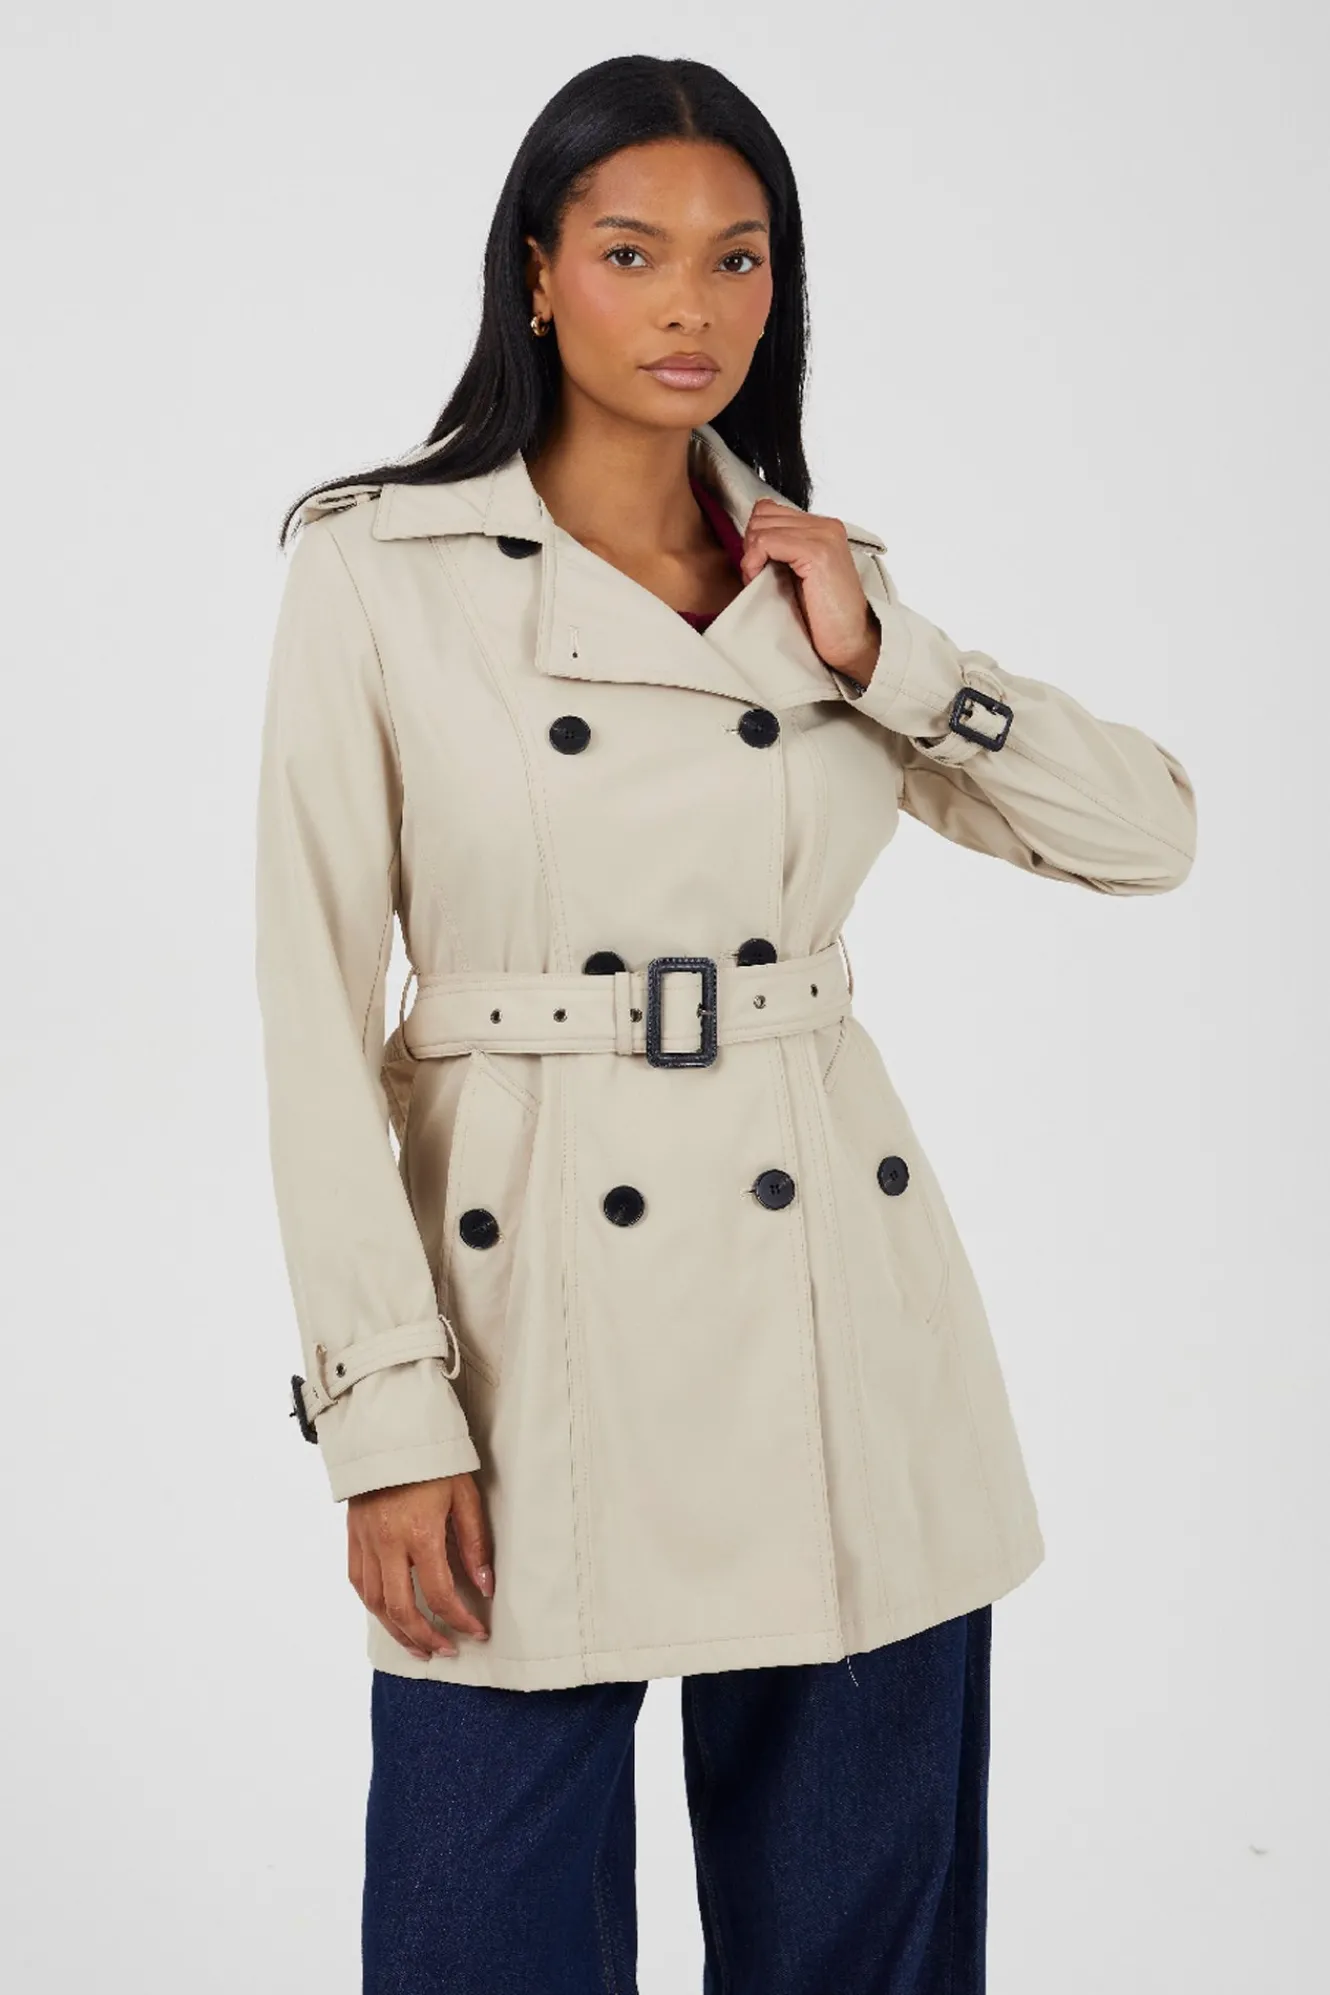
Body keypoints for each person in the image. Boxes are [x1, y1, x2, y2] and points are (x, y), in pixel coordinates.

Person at [254, 53, 1197, 1995]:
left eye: (736, 257)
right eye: (631, 252)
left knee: (858, 1955)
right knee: (472, 1941)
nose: (690, 305)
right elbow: (310, 1015)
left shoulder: (822, 587)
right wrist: (381, 1414)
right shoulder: (373, 570)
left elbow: (1147, 835)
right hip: (513, 1347)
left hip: (839, 1340)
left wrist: (888, 653)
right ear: (534, 275)